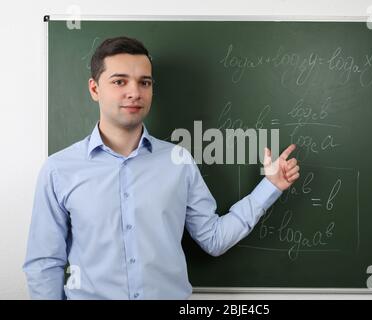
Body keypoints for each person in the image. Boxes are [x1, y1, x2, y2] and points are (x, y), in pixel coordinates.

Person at [23, 37, 300, 299]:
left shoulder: (178, 162)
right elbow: (44, 263)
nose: (134, 92)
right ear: (95, 89)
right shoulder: (59, 170)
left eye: (144, 82)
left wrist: (270, 187)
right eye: (120, 81)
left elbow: (213, 239)